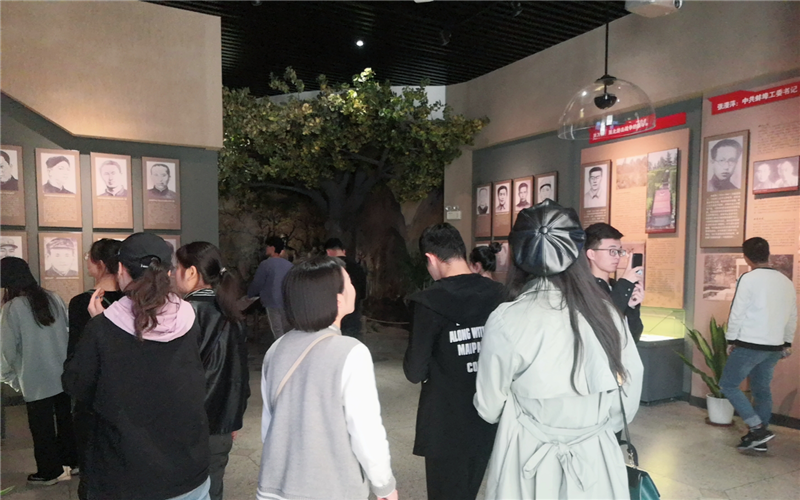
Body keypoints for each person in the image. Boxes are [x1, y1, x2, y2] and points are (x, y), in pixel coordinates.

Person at [474, 200, 643, 499]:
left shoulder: (506, 318)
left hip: (526, 455)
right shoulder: (608, 313)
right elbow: (628, 392)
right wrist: (596, 427)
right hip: (596, 456)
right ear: (578, 253)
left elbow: (489, 406)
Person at [62, 233, 210, 500]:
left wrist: (98, 325)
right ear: (168, 272)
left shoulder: (102, 328)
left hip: (127, 474)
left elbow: (76, 384)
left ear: (120, 269)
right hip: (189, 469)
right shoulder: (189, 317)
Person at [258, 256, 397, 500]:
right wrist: (384, 485)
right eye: (349, 282)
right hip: (332, 491)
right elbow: (366, 432)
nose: (353, 287)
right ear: (338, 300)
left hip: (274, 488)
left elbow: (269, 429)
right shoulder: (351, 352)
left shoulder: (276, 349)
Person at [404, 223, 505, 500]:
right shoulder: (500, 294)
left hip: (444, 422)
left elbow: (414, 371)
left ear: (431, 258)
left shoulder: (428, 302)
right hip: (487, 416)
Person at [175, 241, 250, 500]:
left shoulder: (182, 314)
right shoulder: (232, 314)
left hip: (186, 424)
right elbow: (240, 375)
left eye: (177, 267)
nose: (173, 274)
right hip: (221, 426)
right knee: (213, 487)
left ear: (191, 272)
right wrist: (234, 417)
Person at [0, 257, 78, 485]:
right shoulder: (54, 298)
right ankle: (73, 462)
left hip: (34, 379)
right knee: (66, 421)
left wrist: (10, 378)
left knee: (41, 428)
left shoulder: (12, 308)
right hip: (61, 374)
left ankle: (49, 471)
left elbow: (6, 349)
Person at [719, 237, 797, 451]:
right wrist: (787, 342)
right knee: (762, 389)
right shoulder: (785, 281)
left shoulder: (749, 278)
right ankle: (759, 440)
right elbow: (792, 315)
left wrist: (731, 339)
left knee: (728, 385)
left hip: (749, 344)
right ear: (768, 254)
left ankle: (757, 429)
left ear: (746, 257)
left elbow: (738, 311)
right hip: (775, 346)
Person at [66, 238, 124, 497]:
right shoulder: (131, 299)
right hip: (125, 393)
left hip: (92, 397)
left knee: (91, 466)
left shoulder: (82, 303)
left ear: (99, 264)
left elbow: (77, 354)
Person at [584, 223, 644, 342]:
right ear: (591, 254)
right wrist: (625, 283)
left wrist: (632, 307)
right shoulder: (583, 287)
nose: (617, 257)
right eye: (612, 251)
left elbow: (634, 337)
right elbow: (604, 323)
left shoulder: (616, 286)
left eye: (619, 251)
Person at [247, 236, 294, 339]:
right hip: (287, 302)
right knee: (287, 330)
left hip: (272, 302)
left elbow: (257, 284)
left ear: (272, 248)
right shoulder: (289, 265)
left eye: (267, 246)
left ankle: (280, 349)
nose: (266, 249)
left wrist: (249, 295)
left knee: (277, 331)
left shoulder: (265, 265)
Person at [325, 238, 368, 340]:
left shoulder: (328, 268)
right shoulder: (358, 268)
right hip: (354, 312)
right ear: (343, 251)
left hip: (332, 314)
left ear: (328, 252)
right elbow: (363, 293)